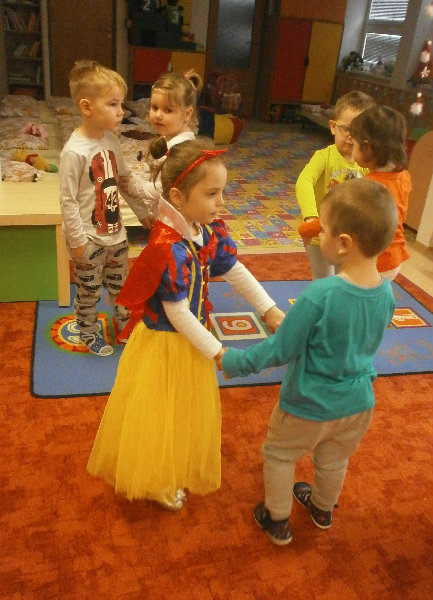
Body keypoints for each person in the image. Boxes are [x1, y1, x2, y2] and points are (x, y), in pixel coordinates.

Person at [87, 136, 285, 510]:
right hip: (166, 343)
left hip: (193, 340)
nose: (221, 202)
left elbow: (233, 268)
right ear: (178, 197)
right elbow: (177, 313)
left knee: (184, 409)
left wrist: (269, 309)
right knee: (161, 411)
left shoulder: (203, 229)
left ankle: (174, 459)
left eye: (222, 191)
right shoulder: (168, 246)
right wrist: (218, 351)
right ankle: (157, 478)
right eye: (212, 194)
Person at [217, 178, 398, 546]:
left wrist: (234, 361)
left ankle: (277, 519)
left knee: (279, 454)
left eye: (323, 230)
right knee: (334, 460)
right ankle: (322, 508)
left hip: (308, 403)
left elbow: (279, 350)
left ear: (343, 243)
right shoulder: (387, 292)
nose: (318, 235)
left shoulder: (320, 294)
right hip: (357, 403)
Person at [59, 60, 153, 356]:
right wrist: (77, 242)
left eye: (121, 104)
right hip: (89, 239)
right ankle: (88, 330)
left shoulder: (111, 141)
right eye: (113, 104)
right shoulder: (73, 152)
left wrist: (143, 212)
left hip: (116, 235)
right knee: (89, 291)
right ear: (87, 107)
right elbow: (68, 201)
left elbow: (124, 181)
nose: (121, 111)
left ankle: (125, 325)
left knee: (121, 285)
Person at [296, 91, 376, 279]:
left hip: (351, 237)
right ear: (333, 127)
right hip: (321, 235)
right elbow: (304, 181)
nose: (352, 136)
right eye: (347, 128)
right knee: (323, 279)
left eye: (360, 131)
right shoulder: (324, 157)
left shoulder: (366, 164)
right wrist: (311, 218)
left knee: (346, 279)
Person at [123, 69, 202, 224]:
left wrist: (135, 186)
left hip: (175, 224)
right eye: (154, 107)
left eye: (168, 110)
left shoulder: (182, 149)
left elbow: (163, 189)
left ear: (187, 114)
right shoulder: (173, 139)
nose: (158, 115)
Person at [350, 104, 412, 281]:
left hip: (375, 261)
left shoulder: (368, 186)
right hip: (396, 257)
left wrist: (307, 228)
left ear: (367, 148)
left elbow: (340, 217)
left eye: (354, 144)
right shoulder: (404, 176)